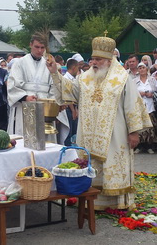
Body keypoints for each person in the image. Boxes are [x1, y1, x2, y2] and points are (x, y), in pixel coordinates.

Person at [46, 36, 152, 210]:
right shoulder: (85, 78)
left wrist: (133, 132)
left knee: (112, 165)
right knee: (89, 164)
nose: (94, 62)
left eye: (99, 59)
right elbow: (70, 92)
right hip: (88, 135)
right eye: (93, 59)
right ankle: (90, 199)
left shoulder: (122, 78)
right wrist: (54, 73)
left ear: (109, 60)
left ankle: (115, 203)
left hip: (115, 136)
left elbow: (132, 104)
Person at [7, 32, 69, 143]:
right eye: (37, 47)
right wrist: (25, 97)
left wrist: (55, 104)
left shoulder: (49, 65)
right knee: (24, 140)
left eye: (42, 48)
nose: (39, 50)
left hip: (44, 110)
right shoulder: (20, 63)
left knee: (44, 143)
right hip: (24, 108)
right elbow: (12, 86)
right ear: (30, 45)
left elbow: (54, 88)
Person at [133, 62, 157, 154]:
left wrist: (151, 94)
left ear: (146, 69)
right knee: (140, 127)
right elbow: (132, 93)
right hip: (139, 107)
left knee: (150, 126)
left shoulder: (152, 80)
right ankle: (139, 146)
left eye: (143, 68)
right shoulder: (134, 81)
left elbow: (156, 91)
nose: (141, 69)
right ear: (138, 70)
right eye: (140, 68)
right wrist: (139, 94)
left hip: (150, 106)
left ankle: (149, 146)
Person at [63, 59, 79, 146]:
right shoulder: (66, 79)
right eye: (77, 68)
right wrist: (73, 110)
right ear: (73, 67)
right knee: (69, 131)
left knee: (74, 131)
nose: (78, 70)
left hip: (74, 107)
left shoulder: (74, 78)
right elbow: (67, 96)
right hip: (68, 108)